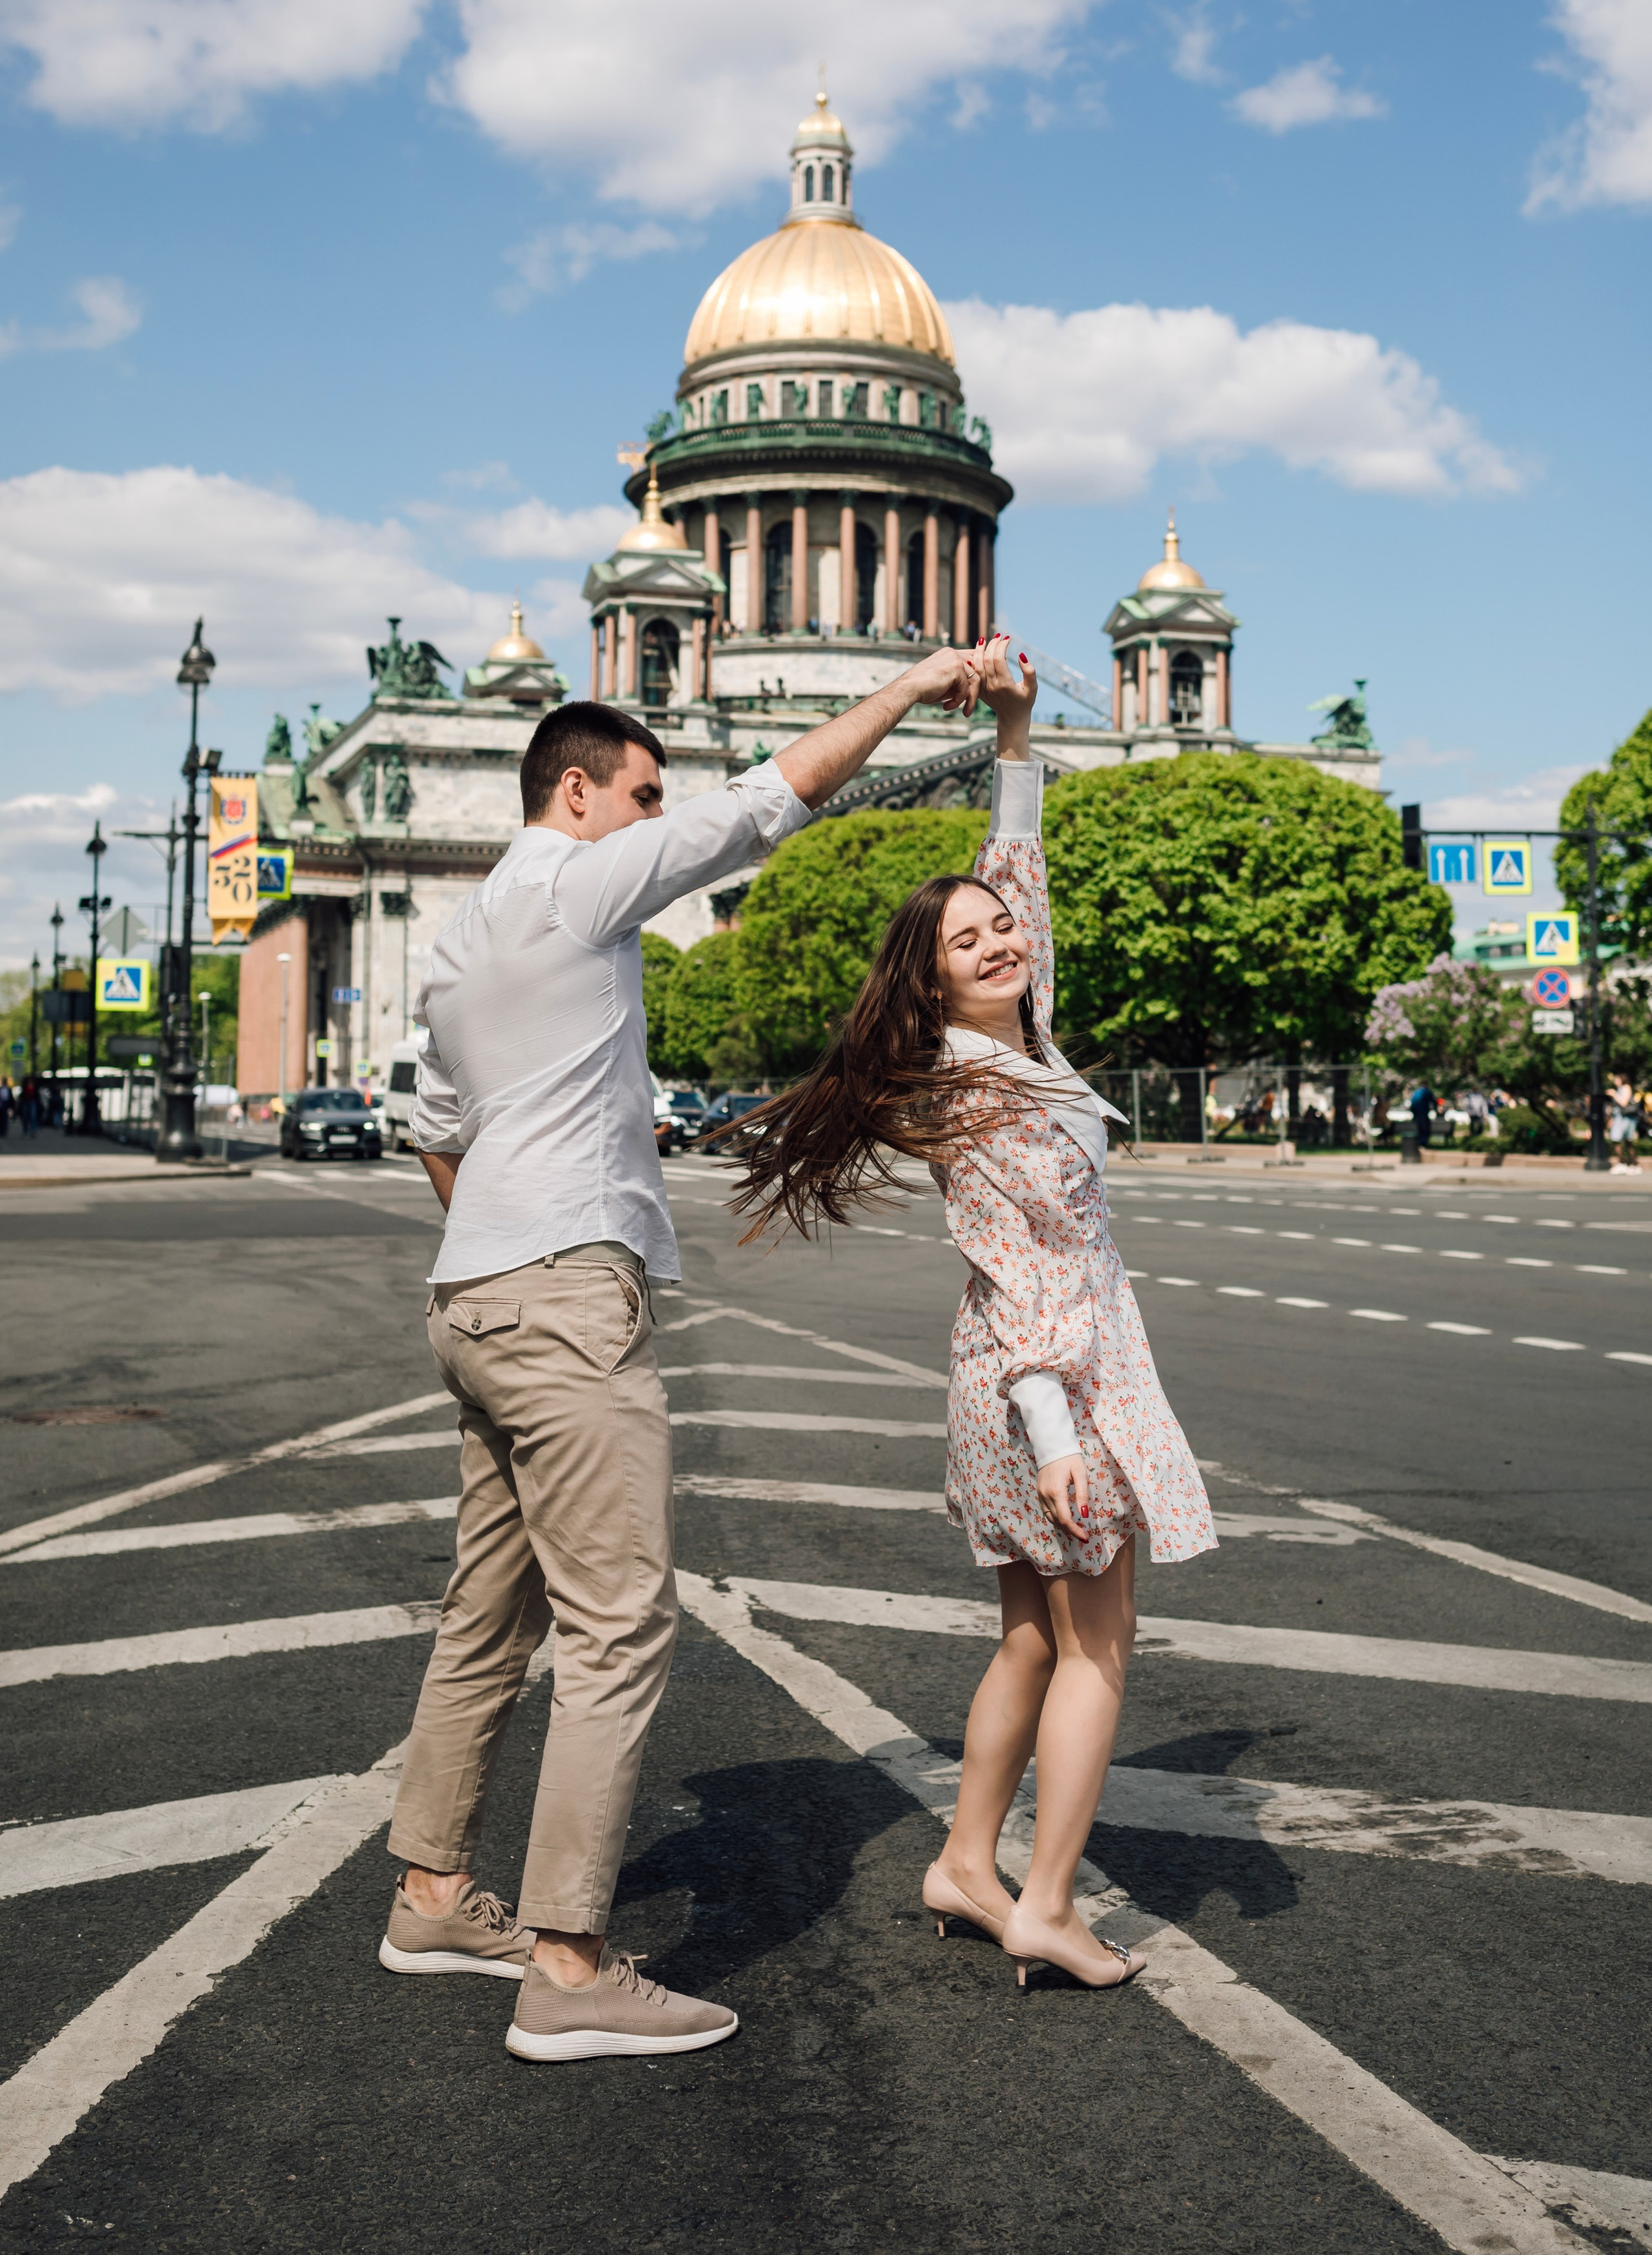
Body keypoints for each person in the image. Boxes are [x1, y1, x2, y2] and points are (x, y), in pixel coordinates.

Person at [383, 657, 979, 2064]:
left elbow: (436, 1128)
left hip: (472, 1296)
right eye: (644, 795)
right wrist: (916, 684)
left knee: (488, 1613)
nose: (659, 817)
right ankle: (568, 1967)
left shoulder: (460, 939)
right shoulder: (578, 886)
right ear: (576, 792)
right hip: (563, 1303)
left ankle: (430, 1895)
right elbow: (775, 798)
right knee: (618, 1625)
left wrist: (499, 1236)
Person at [735, 639, 1215, 1990]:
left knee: (1030, 1633)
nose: (1003, 938)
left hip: (1021, 1378)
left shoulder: (1018, 1040)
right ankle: (1047, 1902)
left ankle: (962, 1859)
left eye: (1003, 927)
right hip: (1046, 1384)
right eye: (970, 939)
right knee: (1098, 1650)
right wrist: (1057, 1437)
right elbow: (1019, 1278)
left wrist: (1012, 733)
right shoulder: (977, 1093)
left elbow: (1017, 868)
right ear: (930, 981)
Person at [1409, 1080, 1433, 1151]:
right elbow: (1433, 1102)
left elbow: (1413, 1104)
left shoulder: (1416, 1093)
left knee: (1419, 1129)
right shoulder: (1427, 1092)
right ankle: (1422, 1144)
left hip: (1417, 1114)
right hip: (1424, 1114)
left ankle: (1419, 1144)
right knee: (1425, 1130)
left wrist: (1414, 1113)